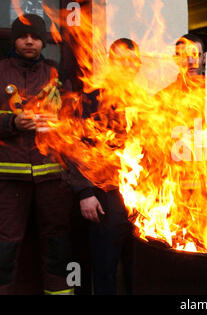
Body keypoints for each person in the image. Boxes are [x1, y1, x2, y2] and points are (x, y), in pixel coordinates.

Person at [0, 14, 74, 295]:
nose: (29, 41)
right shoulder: (0, 71)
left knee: (57, 242)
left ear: (43, 42)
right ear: (14, 40)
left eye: (35, 37)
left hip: (51, 174)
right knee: (5, 245)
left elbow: (72, 119)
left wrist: (60, 123)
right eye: (23, 36)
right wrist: (12, 123)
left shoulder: (55, 73)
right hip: (9, 175)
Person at [68, 38, 141, 295]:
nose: (127, 65)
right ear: (110, 63)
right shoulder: (90, 100)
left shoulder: (150, 104)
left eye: (132, 60)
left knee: (140, 269)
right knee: (105, 269)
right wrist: (85, 192)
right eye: (120, 59)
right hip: (105, 196)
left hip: (146, 201)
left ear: (139, 65)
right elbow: (74, 147)